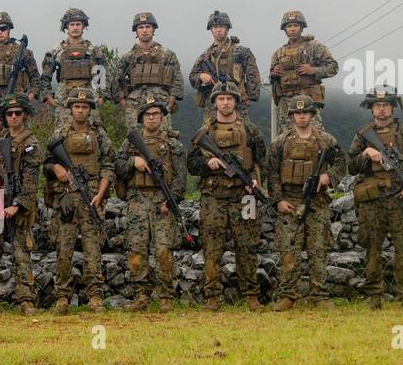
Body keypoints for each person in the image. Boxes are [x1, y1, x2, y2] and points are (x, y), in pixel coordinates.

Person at [187, 81, 267, 312]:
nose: (225, 102)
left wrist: (255, 182)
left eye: (229, 98)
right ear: (214, 103)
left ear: (236, 102)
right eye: (220, 99)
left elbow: (262, 161)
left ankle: (251, 295)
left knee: (248, 245)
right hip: (214, 196)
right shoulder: (204, 133)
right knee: (212, 247)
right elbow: (191, 165)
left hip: (245, 196)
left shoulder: (251, 131)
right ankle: (212, 296)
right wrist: (207, 163)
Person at [266, 93, 345, 311]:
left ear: (312, 114)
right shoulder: (280, 143)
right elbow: (272, 174)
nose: (302, 117)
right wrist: (278, 201)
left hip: (317, 202)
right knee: (288, 249)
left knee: (317, 249)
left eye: (305, 112)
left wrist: (328, 177)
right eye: (297, 113)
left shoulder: (325, 140)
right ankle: (288, 295)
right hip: (290, 202)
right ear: (291, 116)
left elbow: (341, 162)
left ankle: (318, 294)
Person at [347, 85, 403, 310]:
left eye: (386, 105)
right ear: (371, 109)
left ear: (393, 107)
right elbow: (350, 166)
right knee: (372, 248)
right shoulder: (363, 135)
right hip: (372, 200)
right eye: (377, 106)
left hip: (399, 197)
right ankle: (374, 296)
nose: (381, 110)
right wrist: (366, 154)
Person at [45, 87, 113, 314]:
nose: (81, 110)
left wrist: (101, 193)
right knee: (64, 248)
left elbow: (108, 165)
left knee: (92, 248)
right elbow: (46, 161)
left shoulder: (99, 134)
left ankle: (94, 295)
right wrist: (57, 168)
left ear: (90, 110)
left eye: (85, 107)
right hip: (66, 197)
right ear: (71, 109)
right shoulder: (60, 134)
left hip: (91, 196)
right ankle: (62, 297)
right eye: (77, 106)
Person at [0, 93, 43, 316]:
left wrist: (18, 204)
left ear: (25, 116)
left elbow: (31, 180)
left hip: (18, 208)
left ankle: (26, 300)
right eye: (9, 114)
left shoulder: (31, 143)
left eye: (18, 113)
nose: (13, 117)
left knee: (21, 255)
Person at [116, 96, 187, 311]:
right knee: (137, 250)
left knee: (164, 250)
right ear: (141, 118)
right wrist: (133, 162)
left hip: (162, 202)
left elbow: (180, 179)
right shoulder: (130, 143)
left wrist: (170, 200)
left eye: (156, 114)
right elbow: (116, 167)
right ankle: (141, 296)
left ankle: (166, 296)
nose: (152, 118)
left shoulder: (173, 144)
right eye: (148, 114)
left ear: (163, 117)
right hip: (138, 201)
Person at [113, 12, 184, 133]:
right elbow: (115, 82)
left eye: (148, 27)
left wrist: (170, 103)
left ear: (153, 29)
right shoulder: (128, 57)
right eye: (140, 27)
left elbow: (177, 79)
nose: (144, 30)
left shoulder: (167, 55)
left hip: (161, 104)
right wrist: (124, 104)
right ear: (135, 31)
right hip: (134, 106)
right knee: (135, 142)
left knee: (163, 138)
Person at [269, 10, 337, 132]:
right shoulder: (278, 53)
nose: (293, 29)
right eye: (289, 26)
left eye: (296, 25)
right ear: (285, 30)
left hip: (309, 100)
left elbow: (333, 67)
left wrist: (314, 70)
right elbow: (272, 79)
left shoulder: (314, 46)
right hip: (287, 104)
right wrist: (274, 74)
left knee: (315, 135)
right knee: (287, 137)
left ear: (301, 28)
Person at [188, 10, 261, 118]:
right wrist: (201, 76)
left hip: (237, 101)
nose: (218, 30)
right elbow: (192, 76)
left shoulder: (241, 51)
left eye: (221, 26)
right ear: (211, 30)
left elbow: (253, 75)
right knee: (212, 133)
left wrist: (249, 97)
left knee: (240, 132)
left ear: (227, 29)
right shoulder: (205, 56)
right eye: (215, 27)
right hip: (213, 103)